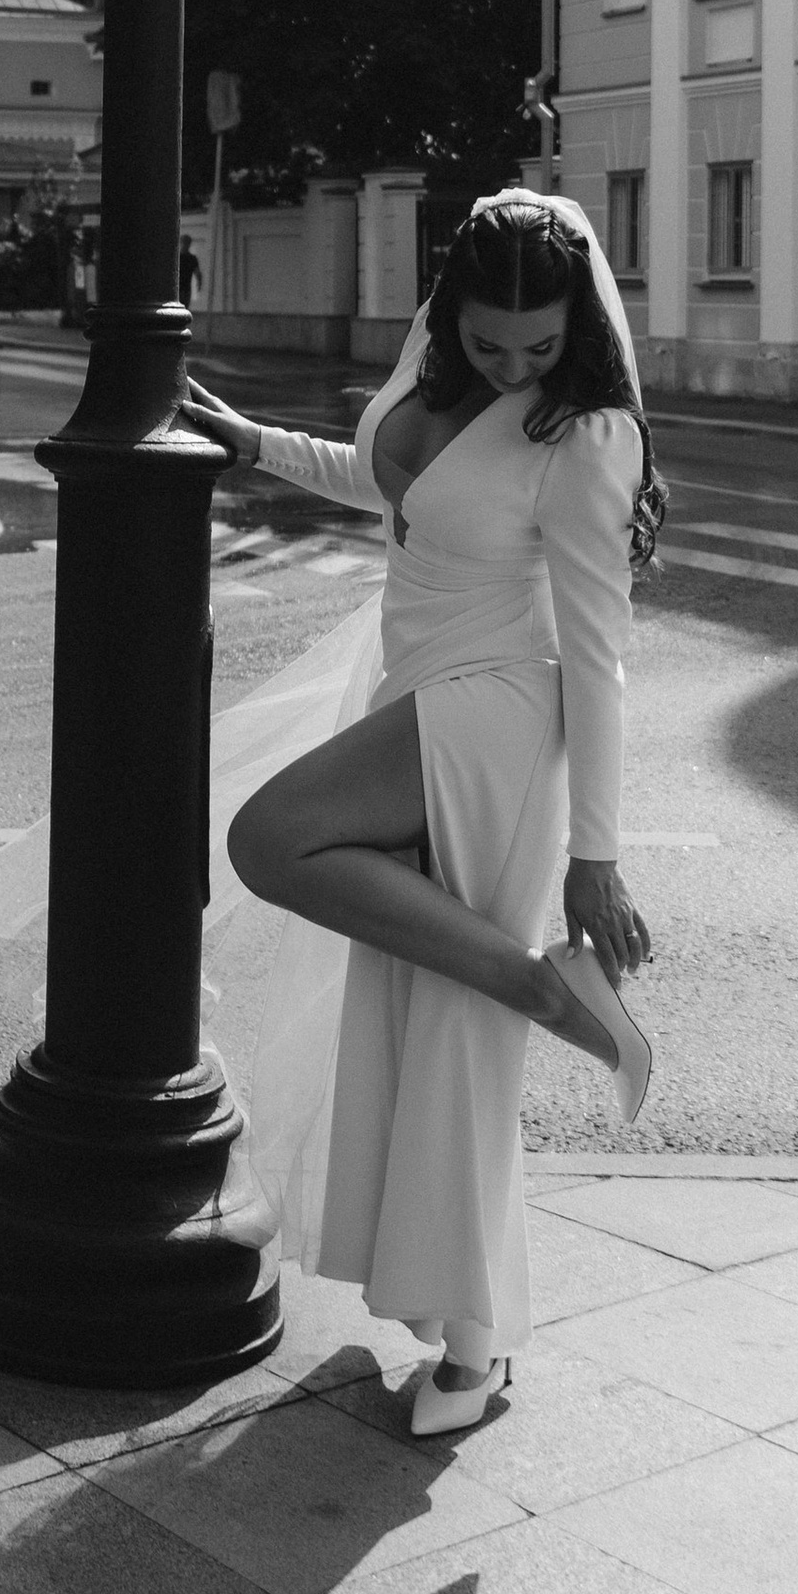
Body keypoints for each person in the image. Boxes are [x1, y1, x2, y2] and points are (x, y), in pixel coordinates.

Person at [175, 191, 664, 1437]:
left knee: (269, 839)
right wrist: (255, 445)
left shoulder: (587, 430)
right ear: (453, 315)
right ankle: (472, 1344)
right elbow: (397, 490)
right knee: (431, 1018)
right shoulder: (434, 370)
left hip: (498, 706)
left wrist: (595, 862)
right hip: (423, 684)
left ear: (580, 330)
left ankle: (550, 990)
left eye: (539, 349)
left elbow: (599, 650)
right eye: (491, 344)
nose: (513, 367)